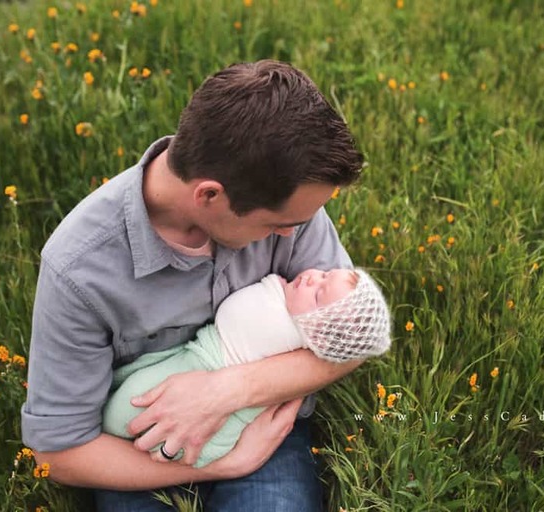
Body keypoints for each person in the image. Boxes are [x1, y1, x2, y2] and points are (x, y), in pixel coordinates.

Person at [21, 59, 367, 511]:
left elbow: (351, 339)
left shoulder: (288, 205)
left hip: (259, 423)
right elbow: (60, 453)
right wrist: (220, 466)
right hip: (136, 448)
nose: (291, 233)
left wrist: (226, 391)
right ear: (209, 195)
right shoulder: (80, 267)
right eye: (279, 225)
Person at [103, 268, 391, 469]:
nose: (311, 279)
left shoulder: (294, 334)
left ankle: (172, 460)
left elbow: (350, 350)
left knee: (127, 413)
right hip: (194, 357)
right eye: (325, 275)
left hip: (212, 370)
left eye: (318, 297)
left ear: (318, 335)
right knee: (132, 393)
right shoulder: (294, 307)